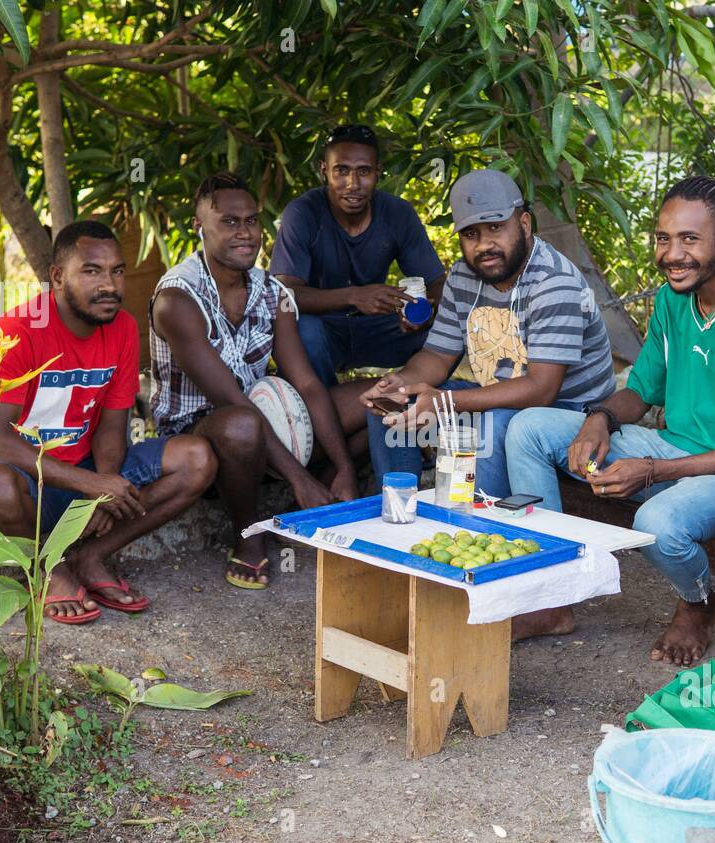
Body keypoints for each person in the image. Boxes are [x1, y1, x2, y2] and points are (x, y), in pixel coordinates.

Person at [505, 175, 715, 656]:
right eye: (663, 239)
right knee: (528, 429)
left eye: (690, 239)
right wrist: (600, 418)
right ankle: (552, 596)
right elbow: (643, 389)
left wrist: (654, 471)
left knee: (658, 522)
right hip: (672, 451)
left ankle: (698, 603)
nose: (673, 254)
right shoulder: (673, 297)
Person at [0, 221, 215, 624]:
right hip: (22, 485)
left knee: (197, 458)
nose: (109, 285)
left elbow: (113, 428)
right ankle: (50, 570)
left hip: (83, 474)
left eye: (117, 271)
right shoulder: (16, 333)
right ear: (57, 277)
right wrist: (93, 486)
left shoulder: (123, 328)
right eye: (92, 271)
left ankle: (90, 556)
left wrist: (105, 489)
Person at [149, 171, 362, 590]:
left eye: (251, 220)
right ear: (199, 226)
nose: (245, 232)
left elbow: (308, 383)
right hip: (201, 439)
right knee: (241, 424)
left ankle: (313, 496)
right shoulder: (177, 299)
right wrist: (303, 479)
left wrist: (343, 467)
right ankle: (248, 532)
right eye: (229, 221)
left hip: (264, 428)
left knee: (375, 398)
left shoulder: (272, 291)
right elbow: (231, 402)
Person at [360, 168, 615, 503]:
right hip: (499, 397)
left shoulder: (554, 282)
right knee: (392, 406)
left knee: (491, 427)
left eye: (496, 227)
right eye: (470, 234)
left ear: (524, 224)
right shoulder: (463, 276)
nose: (484, 245)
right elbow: (437, 356)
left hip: (569, 412)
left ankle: (479, 529)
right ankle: (401, 512)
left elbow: (542, 389)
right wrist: (400, 383)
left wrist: (446, 402)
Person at [271, 124, 447, 389]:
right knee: (301, 331)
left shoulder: (398, 213)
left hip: (377, 328)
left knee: (447, 332)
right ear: (324, 171)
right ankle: (323, 407)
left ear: (377, 173)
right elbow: (283, 295)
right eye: (341, 170)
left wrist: (420, 314)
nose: (352, 184)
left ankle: (411, 400)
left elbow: (437, 283)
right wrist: (354, 296)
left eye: (363, 171)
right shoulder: (303, 213)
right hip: (323, 328)